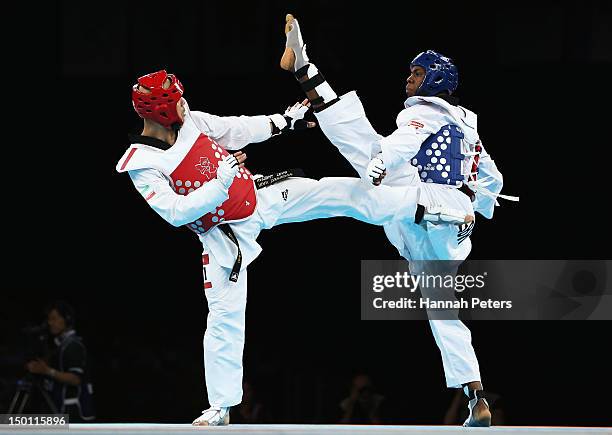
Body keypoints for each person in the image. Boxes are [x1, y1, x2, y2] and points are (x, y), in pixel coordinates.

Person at [116, 70, 462, 425]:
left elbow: (238, 129)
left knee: (341, 193)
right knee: (224, 318)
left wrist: (282, 122)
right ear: (159, 110)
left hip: (259, 197)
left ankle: (430, 207)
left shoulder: (192, 122)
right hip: (223, 237)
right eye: (176, 101)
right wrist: (221, 183)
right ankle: (220, 407)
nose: (183, 104)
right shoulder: (141, 163)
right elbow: (175, 213)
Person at [281, 14, 518, 427]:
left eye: (418, 72)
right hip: (440, 224)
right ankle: (475, 396)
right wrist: (479, 205)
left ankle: (272, 204)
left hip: (423, 208)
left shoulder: (425, 113)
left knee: (353, 191)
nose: (409, 77)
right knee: (444, 311)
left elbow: (402, 142)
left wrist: (378, 165)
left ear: (436, 80)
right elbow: (493, 178)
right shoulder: (467, 126)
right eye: (410, 70)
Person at [25, 301, 95, 421]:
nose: (50, 323)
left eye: (54, 319)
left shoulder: (73, 346)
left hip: (73, 411)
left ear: (67, 319)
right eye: (49, 319)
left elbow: (75, 379)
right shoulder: (59, 345)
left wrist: (47, 371)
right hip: (59, 409)